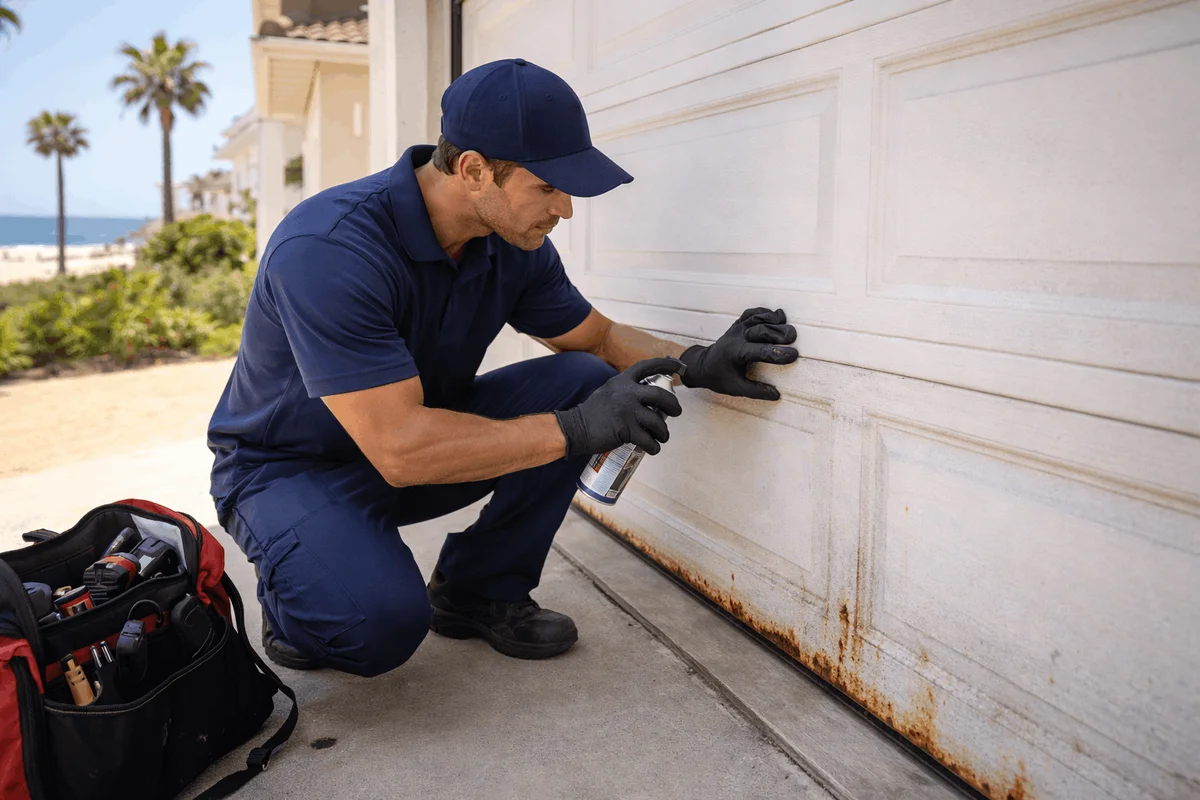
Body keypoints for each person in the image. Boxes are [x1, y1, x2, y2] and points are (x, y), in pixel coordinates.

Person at [207, 58, 799, 676]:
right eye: (548, 188)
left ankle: (479, 589)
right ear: (473, 171)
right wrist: (576, 430)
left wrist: (698, 362)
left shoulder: (510, 241)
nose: (565, 209)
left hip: (411, 445)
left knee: (583, 378)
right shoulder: (329, 249)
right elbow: (401, 448)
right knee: (374, 625)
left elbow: (597, 339)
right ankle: (297, 593)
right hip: (288, 471)